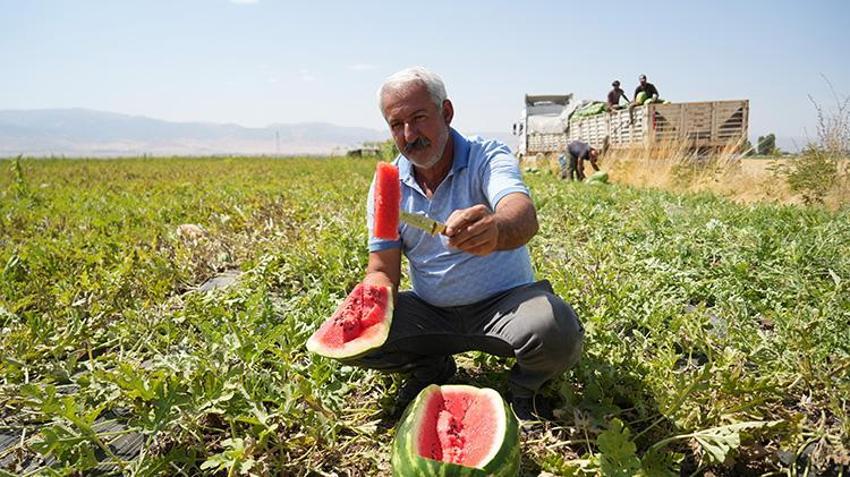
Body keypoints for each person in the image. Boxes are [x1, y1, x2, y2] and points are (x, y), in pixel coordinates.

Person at [351, 66, 584, 421]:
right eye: (397, 125)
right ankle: (431, 368)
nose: (409, 134)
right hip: (432, 314)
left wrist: (497, 230)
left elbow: (522, 214)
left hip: (505, 305)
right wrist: (370, 297)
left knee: (555, 331)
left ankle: (524, 390)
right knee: (355, 336)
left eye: (418, 118)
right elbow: (382, 269)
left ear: (446, 113)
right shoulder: (388, 184)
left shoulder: (486, 156)